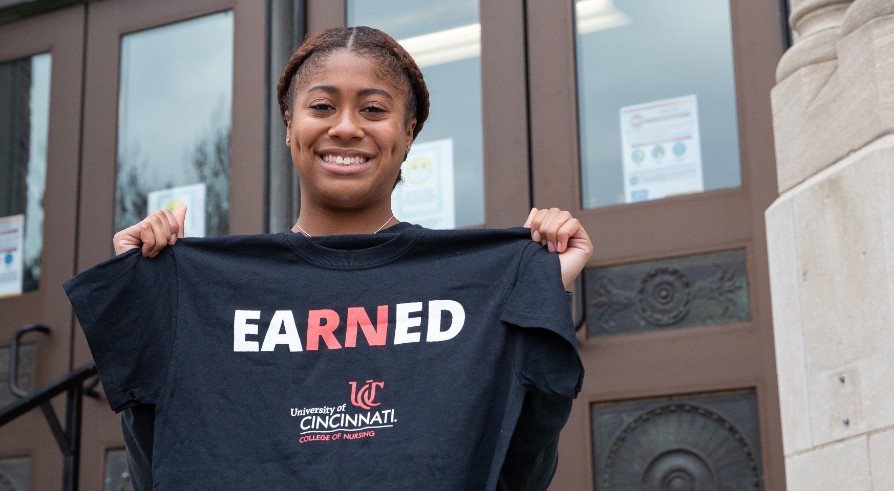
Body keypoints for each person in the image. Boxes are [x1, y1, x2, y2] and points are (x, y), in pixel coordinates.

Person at [84, 26, 591, 489]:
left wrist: (544, 295)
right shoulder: (209, 294)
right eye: (323, 106)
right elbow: (165, 468)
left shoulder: (477, 287)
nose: (346, 127)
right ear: (290, 124)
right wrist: (142, 299)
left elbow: (519, 473)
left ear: (408, 132)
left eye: (373, 110)